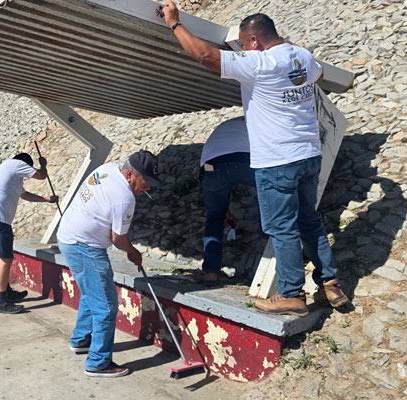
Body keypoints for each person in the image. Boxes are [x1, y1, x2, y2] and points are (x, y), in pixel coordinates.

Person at [161, 2, 348, 316]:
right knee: (309, 221)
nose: (247, 49)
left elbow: (205, 55)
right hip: (309, 156)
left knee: (282, 228)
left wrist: (174, 24)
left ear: (254, 42)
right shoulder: (302, 56)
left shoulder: (259, 62)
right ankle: (330, 283)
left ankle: (291, 294)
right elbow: (319, 73)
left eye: (248, 45)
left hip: (278, 160)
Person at [57, 150, 160, 378]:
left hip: (68, 237)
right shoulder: (125, 198)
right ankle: (98, 362)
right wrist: (132, 252)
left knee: (92, 292)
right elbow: (118, 239)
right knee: (106, 305)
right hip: (85, 246)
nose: (148, 188)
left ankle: (81, 339)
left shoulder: (108, 169)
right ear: (131, 173)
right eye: (146, 181)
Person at [0, 153, 58, 314]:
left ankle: (6, 292)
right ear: (25, 164)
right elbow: (41, 176)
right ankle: (1, 302)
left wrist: (46, 199)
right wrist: (43, 165)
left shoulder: (6, 172)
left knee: (0, 257)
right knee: (6, 258)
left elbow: (25, 195)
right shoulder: (14, 164)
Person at [200, 117, 259, 285]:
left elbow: (221, 173)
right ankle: (270, 259)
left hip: (210, 165)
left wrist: (223, 210)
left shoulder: (228, 125)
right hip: (244, 159)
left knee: (214, 217)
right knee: (269, 201)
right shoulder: (257, 120)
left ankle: (210, 273)